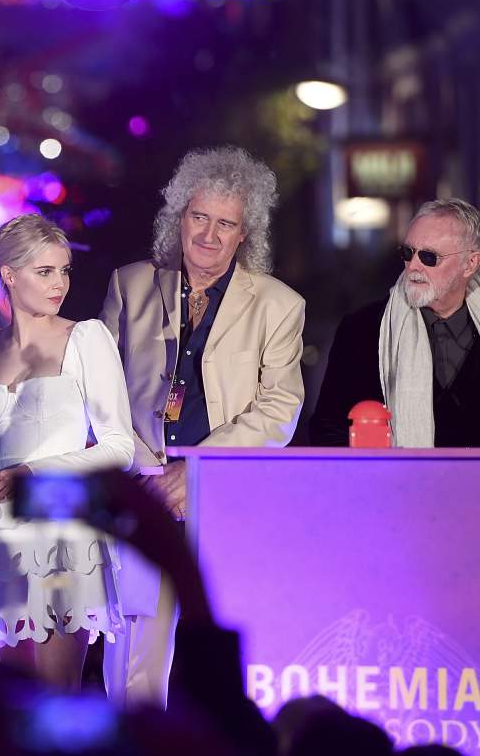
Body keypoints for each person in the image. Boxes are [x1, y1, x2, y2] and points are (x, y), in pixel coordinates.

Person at [99, 146, 305, 707]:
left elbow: (280, 407)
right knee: (136, 658)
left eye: (226, 224)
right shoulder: (129, 285)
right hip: (143, 491)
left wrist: (197, 469)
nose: (210, 235)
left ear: (245, 234)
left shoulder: (280, 305)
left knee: (232, 662)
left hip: (229, 497)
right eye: (199, 217)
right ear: (178, 217)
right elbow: (100, 391)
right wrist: (146, 473)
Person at [0, 214, 134, 690]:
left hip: (61, 534)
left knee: (56, 698)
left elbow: (120, 447)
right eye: (46, 272)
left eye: (66, 270)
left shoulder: (86, 338)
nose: (60, 284)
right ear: (9, 275)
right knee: (17, 699)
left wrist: (31, 471)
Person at [310, 198, 480, 448]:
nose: (413, 266)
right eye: (408, 252)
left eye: (429, 257)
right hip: (392, 485)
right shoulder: (362, 330)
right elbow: (327, 429)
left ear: (470, 263)